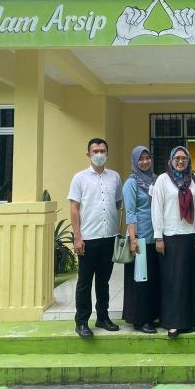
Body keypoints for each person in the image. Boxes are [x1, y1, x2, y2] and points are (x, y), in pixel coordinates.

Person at [67, 137, 123, 339]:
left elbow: (117, 203)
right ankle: (82, 321)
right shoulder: (79, 178)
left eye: (102, 151)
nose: (99, 154)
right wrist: (77, 237)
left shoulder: (115, 177)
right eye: (95, 151)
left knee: (104, 281)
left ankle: (103, 317)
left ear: (107, 153)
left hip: (108, 237)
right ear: (88, 154)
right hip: (88, 239)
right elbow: (74, 208)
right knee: (84, 282)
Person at [151, 146, 195, 339]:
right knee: (173, 281)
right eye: (177, 158)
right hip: (170, 237)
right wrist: (158, 237)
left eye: (184, 158)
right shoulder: (163, 180)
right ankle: (172, 322)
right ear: (171, 160)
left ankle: (188, 320)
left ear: (188, 160)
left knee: (188, 280)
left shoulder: (194, 179)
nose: (180, 161)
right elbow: (157, 208)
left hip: (191, 236)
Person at [122, 146, 160, 334]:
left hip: (156, 238)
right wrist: (133, 238)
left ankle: (152, 315)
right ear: (135, 161)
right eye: (141, 159)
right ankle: (140, 319)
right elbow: (130, 212)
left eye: (147, 158)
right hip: (141, 239)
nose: (145, 162)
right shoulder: (131, 183)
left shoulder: (155, 179)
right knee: (140, 280)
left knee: (153, 279)